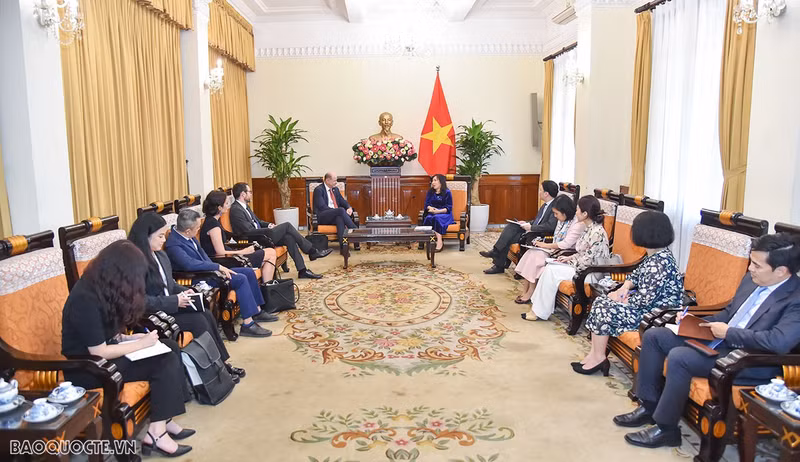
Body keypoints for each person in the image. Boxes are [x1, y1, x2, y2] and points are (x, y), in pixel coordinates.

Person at [614, 233, 800, 449]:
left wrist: (728, 333)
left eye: (757, 265)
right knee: (656, 336)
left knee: (680, 357)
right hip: (721, 343)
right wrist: (695, 322)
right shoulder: (752, 280)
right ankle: (649, 406)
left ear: (781, 271)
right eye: (751, 262)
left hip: (748, 360)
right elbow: (729, 312)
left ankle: (667, 429)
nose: (750, 269)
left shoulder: (795, 298)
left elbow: (778, 342)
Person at [61, 240, 194, 457]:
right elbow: (98, 352)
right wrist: (139, 344)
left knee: (169, 347)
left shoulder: (102, 287)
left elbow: (106, 336)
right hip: (87, 369)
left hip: (104, 357)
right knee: (163, 360)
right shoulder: (85, 298)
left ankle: (163, 420)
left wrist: (127, 338)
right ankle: (156, 434)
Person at [128, 212, 247, 383]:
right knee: (199, 321)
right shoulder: (135, 262)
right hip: (153, 315)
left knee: (205, 313)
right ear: (145, 236)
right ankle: (215, 369)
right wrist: (175, 300)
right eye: (160, 236)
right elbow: (140, 301)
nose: (164, 240)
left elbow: (170, 284)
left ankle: (222, 363)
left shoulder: (160, 255)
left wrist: (186, 291)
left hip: (169, 306)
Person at [573, 211, 682, 376]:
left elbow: (645, 300)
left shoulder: (660, 262)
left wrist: (619, 299)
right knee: (601, 302)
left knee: (603, 306)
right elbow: (635, 276)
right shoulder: (654, 255)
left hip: (656, 316)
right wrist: (624, 288)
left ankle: (598, 357)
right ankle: (595, 354)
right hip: (646, 308)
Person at [165, 209, 276, 338]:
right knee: (240, 279)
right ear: (188, 230)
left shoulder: (187, 236)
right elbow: (189, 264)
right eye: (197, 228)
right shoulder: (174, 244)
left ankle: (256, 311)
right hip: (198, 277)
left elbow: (203, 256)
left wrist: (219, 268)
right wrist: (217, 267)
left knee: (248, 272)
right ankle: (248, 324)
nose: (198, 230)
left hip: (209, 271)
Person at [522, 195, 610, 321]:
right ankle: (537, 309)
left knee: (551, 271)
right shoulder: (588, 228)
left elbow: (589, 261)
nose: (576, 212)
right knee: (551, 267)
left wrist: (570, 262)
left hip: (590, 273)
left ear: (585, 213)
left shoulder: (597, 233)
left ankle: (538, 311)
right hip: (580, 266)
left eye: (578, 210)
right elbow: (581, 252)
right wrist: (567, 259)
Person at [229, 182, 331, 280]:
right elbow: (247, 231)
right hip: (257, 238)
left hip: (262, 234)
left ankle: (302, 270)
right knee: (287, 225)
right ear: (243, 194)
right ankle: (312, 251)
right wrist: (267, 230)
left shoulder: (245, 206)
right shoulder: (236, 210)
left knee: (289, 238)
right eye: (249, 192)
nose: (251, 194)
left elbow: (257, 221)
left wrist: (269, 224)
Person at [513, 195, 583, 303]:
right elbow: (556, 237)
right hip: (554, 250)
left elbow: (565, 244)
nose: (555, 216)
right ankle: (525, 290)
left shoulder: (577, 224)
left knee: (536, 257)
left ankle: (531, 291)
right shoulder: (562, 220)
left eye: (556, 213)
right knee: (531, 253)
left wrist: (544, 245)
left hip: (565, 253)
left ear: (565, 212)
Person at [482, 180, 559, 274]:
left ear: (546, 193)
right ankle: (497, 257)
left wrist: (531, 227)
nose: (539, 192)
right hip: (533, 230)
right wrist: (525, 223)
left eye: (540, 190)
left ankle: (497, 258)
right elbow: (538, 221)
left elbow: (550, 226)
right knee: (512, 226)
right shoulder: (545, 205)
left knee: (510, 237)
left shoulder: (555, 207)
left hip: (540, 235)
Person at [200, 190, 277, 284]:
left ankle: (267, 287)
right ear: (219, 207)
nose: (228, 206)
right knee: (271, 253)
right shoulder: (213, 225)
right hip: (225, 262)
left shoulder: (213, 220)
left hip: (229, 257)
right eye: (226, 203)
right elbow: (220, 252)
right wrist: (243, 251)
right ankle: (269, 289)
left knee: (268, 256)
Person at [312, 172, 358, 246]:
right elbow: (322, 207)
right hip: (323, 217)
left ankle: (343, 245)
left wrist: (349, 207)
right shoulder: (319, 190)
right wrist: (336, 211)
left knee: (339, 218)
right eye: (334, 181)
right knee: (340, 210)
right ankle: (355, 230)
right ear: (327, 180)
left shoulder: (335, 189)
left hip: (335, 215)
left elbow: (342, 201)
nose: (336, 183)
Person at [421, 174, 455, 252]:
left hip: (445, 214)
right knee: (428, 218)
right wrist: (430, 208)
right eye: (432, 180)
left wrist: (438, 211)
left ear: (441, 182)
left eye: (435, 180)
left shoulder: (447, 192)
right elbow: (427, 204)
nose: (433, 182)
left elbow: (449, 208)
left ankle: (439, 241)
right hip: (432, 213)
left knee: (436, 218)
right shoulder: (430, 192)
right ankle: (429, 241)